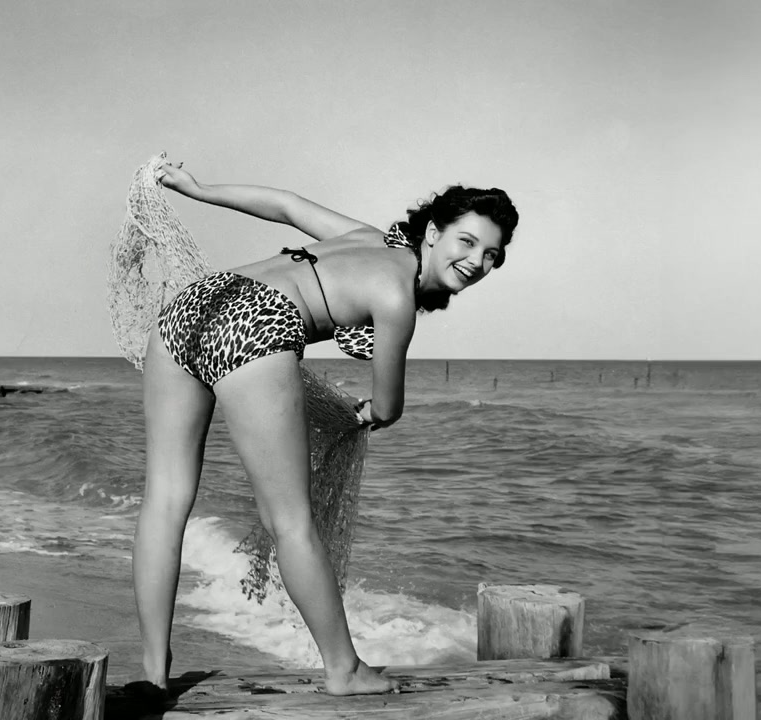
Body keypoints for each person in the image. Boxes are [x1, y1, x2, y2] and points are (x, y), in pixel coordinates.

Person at [134, 157, 519, 696]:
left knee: (165, 499)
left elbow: (286, 205)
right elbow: (388, 406)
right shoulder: (397, 297)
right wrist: (362, 414)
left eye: (491, 255)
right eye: (468, 242)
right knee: (291, 522)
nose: (476, 261)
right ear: (433, 232)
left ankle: (153, 671)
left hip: (192, 305)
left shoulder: (365, 237)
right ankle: (344, 669)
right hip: (253, 320)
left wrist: (198, 190)